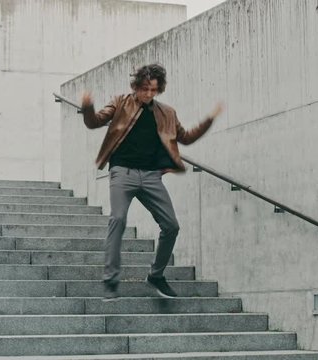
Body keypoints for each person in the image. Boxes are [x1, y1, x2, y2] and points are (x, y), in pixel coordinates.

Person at [80, 63, 223, 301]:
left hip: (151, 177)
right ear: (136, 86)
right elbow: (94, 121)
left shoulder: (166, 113)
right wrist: (87, 106)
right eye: (144, 89)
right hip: (122, 172)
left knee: (171, 225)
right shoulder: (120, 102)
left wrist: (209, 120)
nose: (148, 94)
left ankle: (156, 275)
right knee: (118, 219)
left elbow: (185, 138)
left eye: (153, 90)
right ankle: (111, 281)